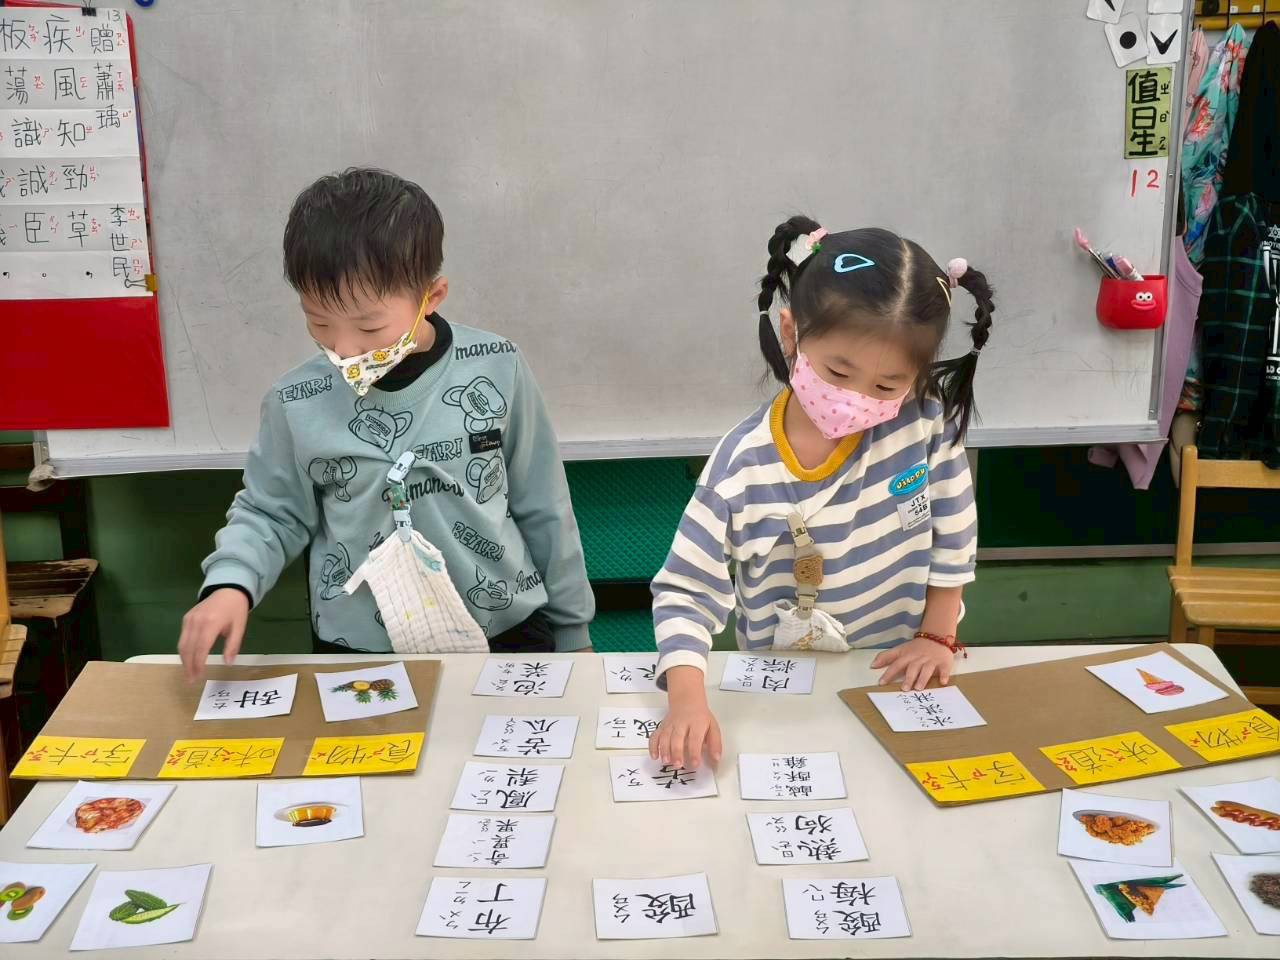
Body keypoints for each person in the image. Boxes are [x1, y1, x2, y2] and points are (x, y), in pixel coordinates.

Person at [179, 168, 593, 677]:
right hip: (360, 647)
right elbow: (271, 512)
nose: (345, 347)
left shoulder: (496, 366)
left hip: (505, 630)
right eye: (318, 321)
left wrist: (573, 632)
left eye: (370, 326)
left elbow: (544, 504)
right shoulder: (296, 401)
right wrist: (230, 584)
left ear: (431, 297)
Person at [650, 219, 991, 767]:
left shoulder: (923, 424)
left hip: (893, 675)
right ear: (791, 334)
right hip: (783, 688)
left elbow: (954, 532)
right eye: (837, 371)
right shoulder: (742, 466)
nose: (856, 398)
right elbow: (686, 590)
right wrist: (687, 701)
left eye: (887, 385)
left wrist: (937, 636)